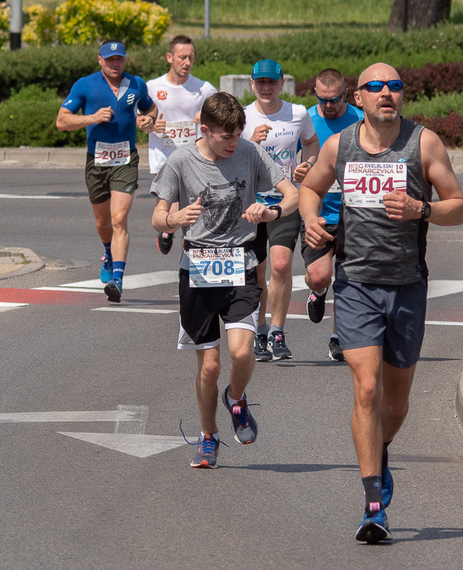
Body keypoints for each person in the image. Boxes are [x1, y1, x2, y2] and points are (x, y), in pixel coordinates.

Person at [299, 63, 463, 542]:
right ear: (359, 97)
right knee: (367, 389)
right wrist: (311, 220)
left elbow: (459, 206)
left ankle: (382, 447)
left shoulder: (424, 143)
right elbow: (311, 188)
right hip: (356, 283)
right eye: (376, 87)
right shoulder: (341, 145)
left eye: (394, 86)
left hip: (407, 284)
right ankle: (374, 505)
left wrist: (423, 209)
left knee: (395, 404)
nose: (387, 94)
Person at [151, 92, 298, 468]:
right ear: (205, 130)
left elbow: (293, 195)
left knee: (242, 352)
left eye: (238, 135)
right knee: (210, 365)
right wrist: (174, 220)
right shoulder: (181, 161)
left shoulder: (249, 153)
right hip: (197, 267)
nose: (234, 143)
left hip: (240, 264)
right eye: (226, 137)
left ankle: (235, 398)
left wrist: (272, 211)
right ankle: (208, 435)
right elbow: (157, 217)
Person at [56, 39, 157, 303]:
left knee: (119, 218)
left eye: (119, 59)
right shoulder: (85, 85)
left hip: (126, 159)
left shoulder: (136, 84)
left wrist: (149, 120)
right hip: (97, 161)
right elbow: (62, 121)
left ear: (124, 60)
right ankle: (107, 253)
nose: (115, 63)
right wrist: (92, 118)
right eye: (110, 59)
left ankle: (118, 281)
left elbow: (150, 108)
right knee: (103, 223)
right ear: (100, 60)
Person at [240, 59, 318, 361]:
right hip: (252, 204)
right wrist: (249, 141)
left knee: (282, 265)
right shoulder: (243, 117)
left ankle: (277, 331)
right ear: (252, 84)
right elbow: (228, 153)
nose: (266, 87)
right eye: (260, 82)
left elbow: (311, 143)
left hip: (285, 201)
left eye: (271, 82)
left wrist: (307, 165)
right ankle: (258, 331)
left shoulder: (298, 113)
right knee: (257, 273)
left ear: (282, 83)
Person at [301, 68, 364, 362]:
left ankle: (338, 337)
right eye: (322, 99)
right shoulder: (306, 121)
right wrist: (299, 170)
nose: (328, 105)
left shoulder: (360, 120)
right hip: (319, 214)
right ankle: (317, 293)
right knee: (319, 275)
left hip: (354, 213)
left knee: (347, 278)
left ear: (346, 94)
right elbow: (288, 158)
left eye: (334, 99)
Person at [147, 35, 217, 256]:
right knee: (176, 209)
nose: (187, 62)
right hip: (164, 158)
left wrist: (206, 117)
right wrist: (150, 125)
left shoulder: (204, 89)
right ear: (169, 57)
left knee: (189, 216)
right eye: (182, 57)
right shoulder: (152, 87)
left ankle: (185, 262)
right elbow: (141, 119)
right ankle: (168, 228)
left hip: (193, 160)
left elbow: (221, 114)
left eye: (191, 58)